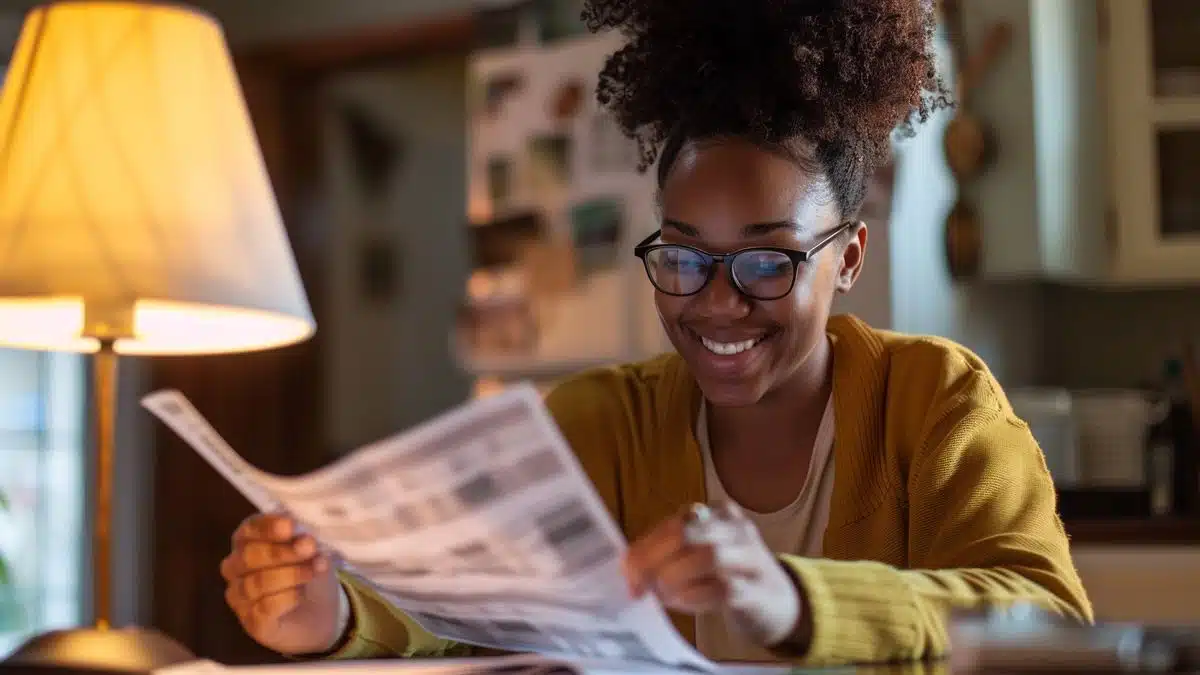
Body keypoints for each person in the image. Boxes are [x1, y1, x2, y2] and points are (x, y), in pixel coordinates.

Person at [218, 0, 1092, 665]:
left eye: (766, 263)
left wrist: (793, 597)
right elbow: (463, 601)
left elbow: (1047, 614)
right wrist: (330, 613)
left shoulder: (936, 400)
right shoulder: (602, 423)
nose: (716, 304)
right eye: (681, 257)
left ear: (850, 256)